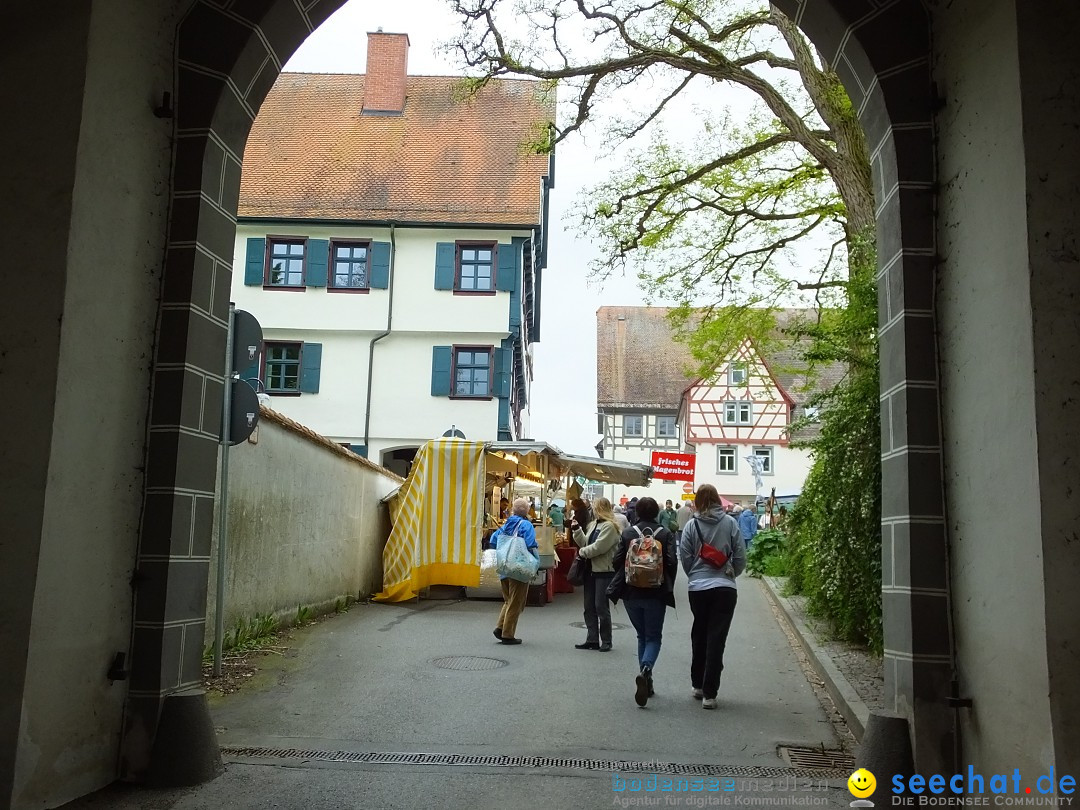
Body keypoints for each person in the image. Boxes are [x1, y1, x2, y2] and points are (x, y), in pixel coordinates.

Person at [678, 484, 745, 709]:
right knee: (717, 639)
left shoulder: (691, 525)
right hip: (725, 588)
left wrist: (694, 575)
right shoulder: (731, 523)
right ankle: (710, 693)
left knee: (699, 633)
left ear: (697, 501)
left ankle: (697, 684)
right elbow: (741, 556)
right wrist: (730, 573)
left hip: (698, 588)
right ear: (718, 500)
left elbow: (685, 557)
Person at [607, 497, 678, 707]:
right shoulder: (665, 534)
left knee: (641, 635)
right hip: (656, 593)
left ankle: (648, 679)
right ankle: (646, 669)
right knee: (654, 636)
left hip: (631, 593)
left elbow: (616, 560)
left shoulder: (628, 533)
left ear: (636, 512)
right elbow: (672, 562)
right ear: (656, 512)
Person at [569, 496, 621, 651]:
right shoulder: (593, 524)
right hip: (590, 570)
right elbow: (585, 543)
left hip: (604, 571)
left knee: (600, 606)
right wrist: (577, 530)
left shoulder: (610, 527)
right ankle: (592, 639)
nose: (592, 510)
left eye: (594, 507)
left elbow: (599, 547)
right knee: (589, 606)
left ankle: (606, 640)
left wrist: (582, 553)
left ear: (600, 508)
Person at [492, 498, 539, 645]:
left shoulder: (506, 524)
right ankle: (508, 634)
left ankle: (500, 627)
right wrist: (536, 562)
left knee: (508, 600)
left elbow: (494, 540)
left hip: (504, 566)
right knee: (516, 602)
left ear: (513, 509)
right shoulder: (526, 525)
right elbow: (531, 544)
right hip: (519, 567)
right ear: (526, 511)